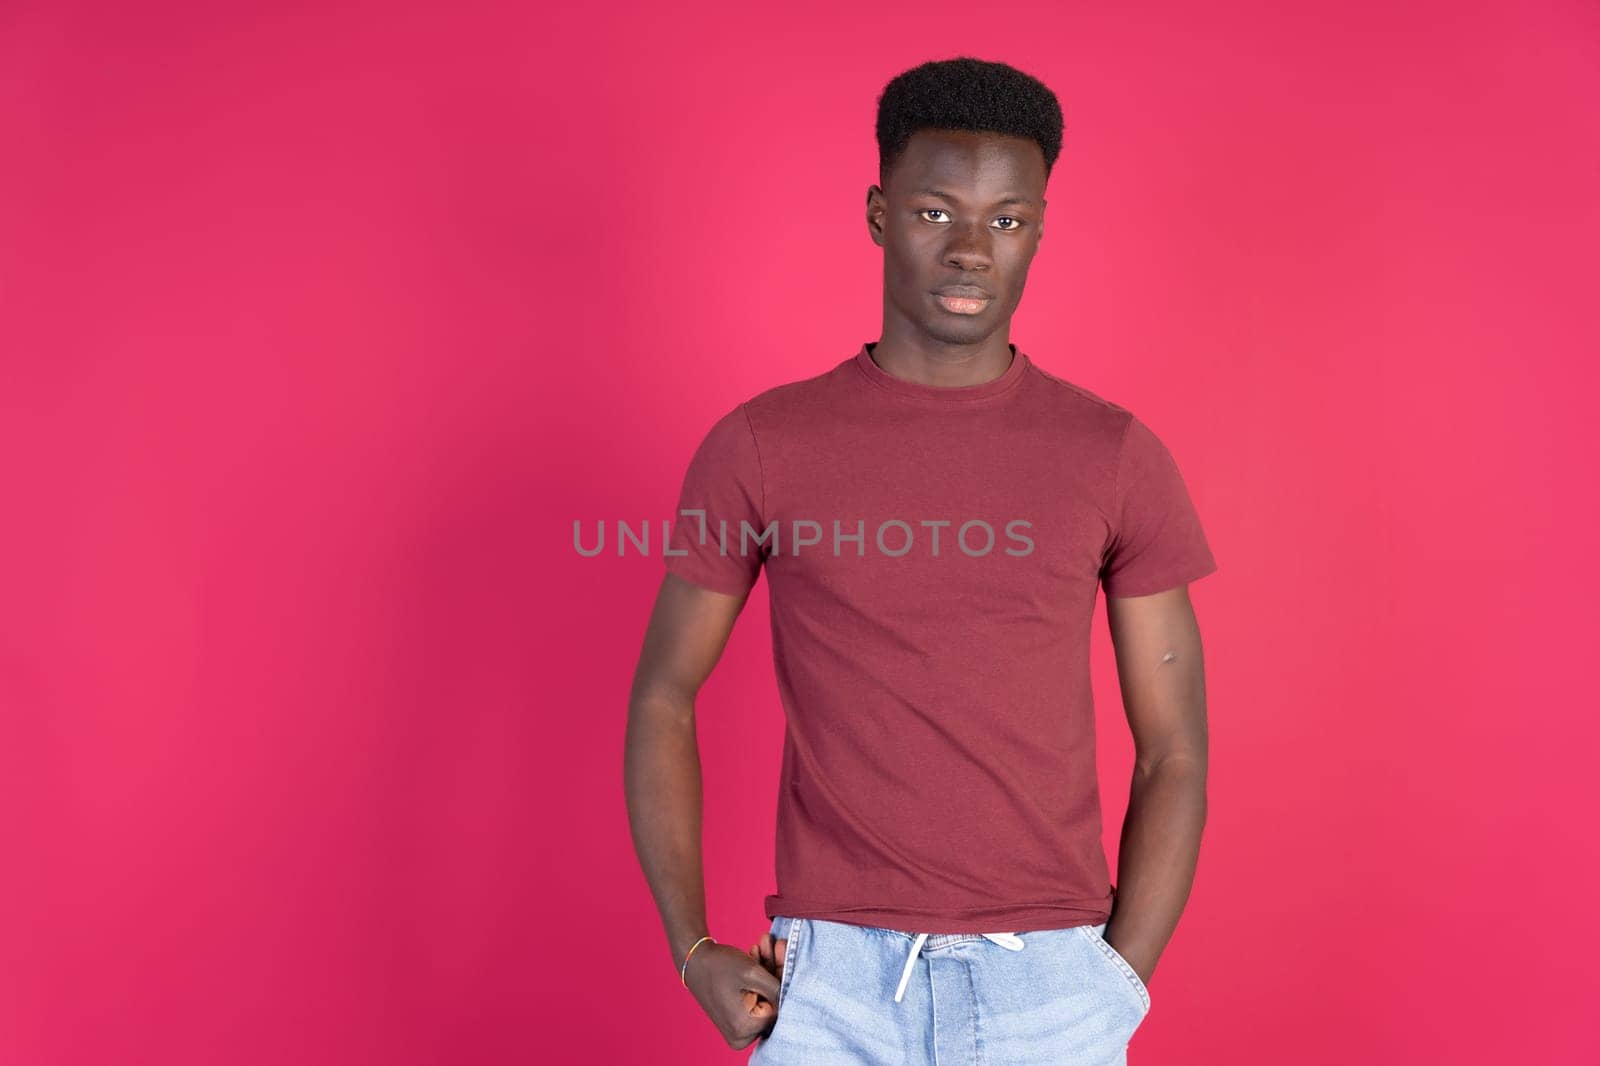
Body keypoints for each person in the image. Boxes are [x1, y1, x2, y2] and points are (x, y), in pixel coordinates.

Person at [623, 56, 1218, 1065]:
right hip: (830, 991)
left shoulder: (1112, 454)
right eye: (937, 213)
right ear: (877, 213)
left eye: (1009, 219)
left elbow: (1175, 751)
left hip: (1053, 985)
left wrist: (1115, 980)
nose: (973, 250)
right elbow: (661, 696)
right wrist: (690, 948)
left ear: (1037, 229)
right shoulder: (765, 445)